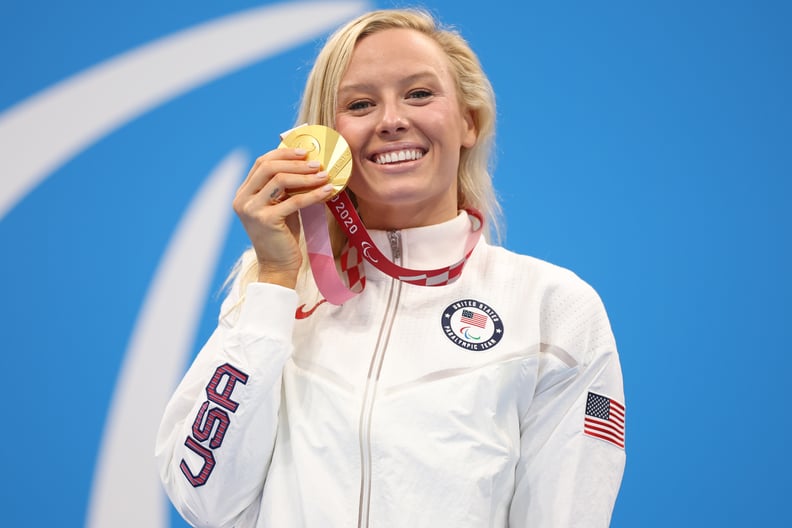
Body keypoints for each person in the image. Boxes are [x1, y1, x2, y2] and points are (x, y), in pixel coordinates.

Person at [156, 8, 626, 528]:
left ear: (469, 121)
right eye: (360, 104)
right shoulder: (275, 293)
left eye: (420, 94)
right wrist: (273, 282)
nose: (391, 120)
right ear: (325, 140)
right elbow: (200, 495)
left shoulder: (552, 308)